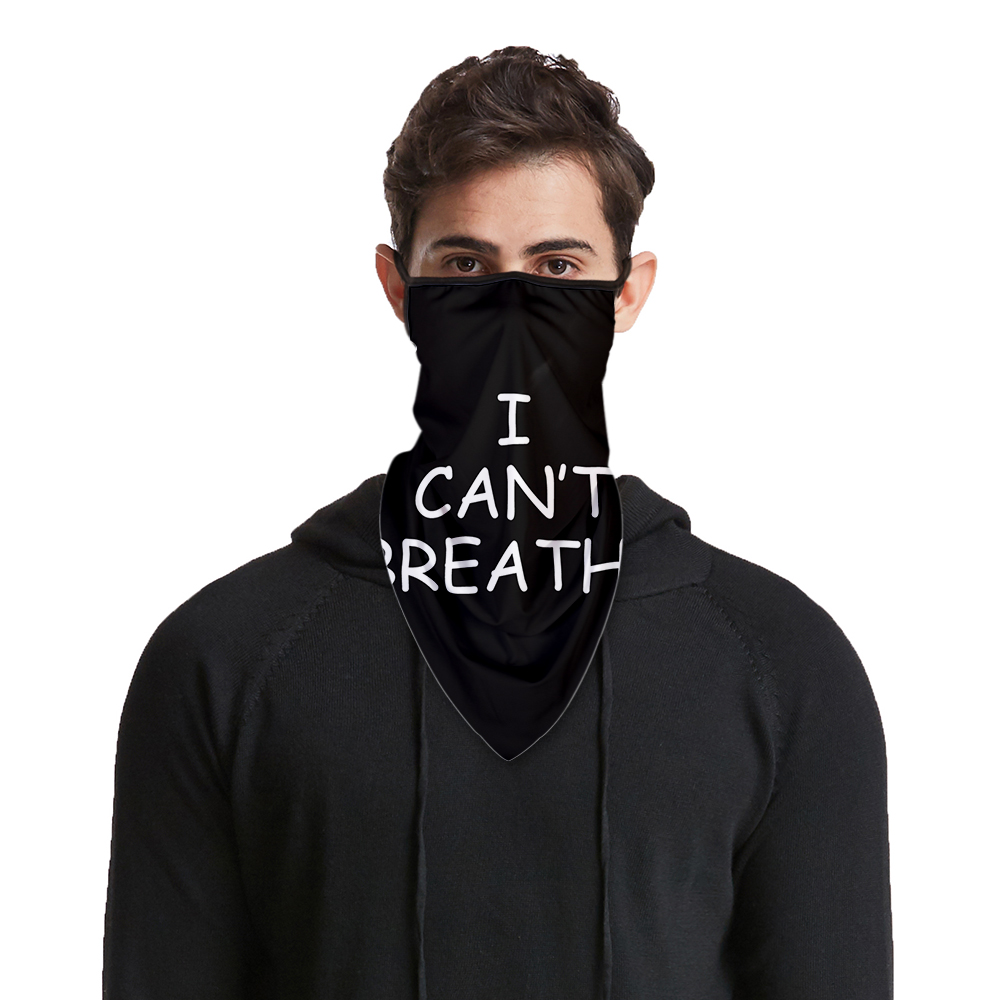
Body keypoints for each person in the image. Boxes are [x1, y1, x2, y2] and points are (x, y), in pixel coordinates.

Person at [103, 46, 893, 1000]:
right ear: (398, 288)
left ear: (627, 292)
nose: (512, 305)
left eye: (557, 265)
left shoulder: (783, 661)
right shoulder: (222, 659)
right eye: (466, 264)